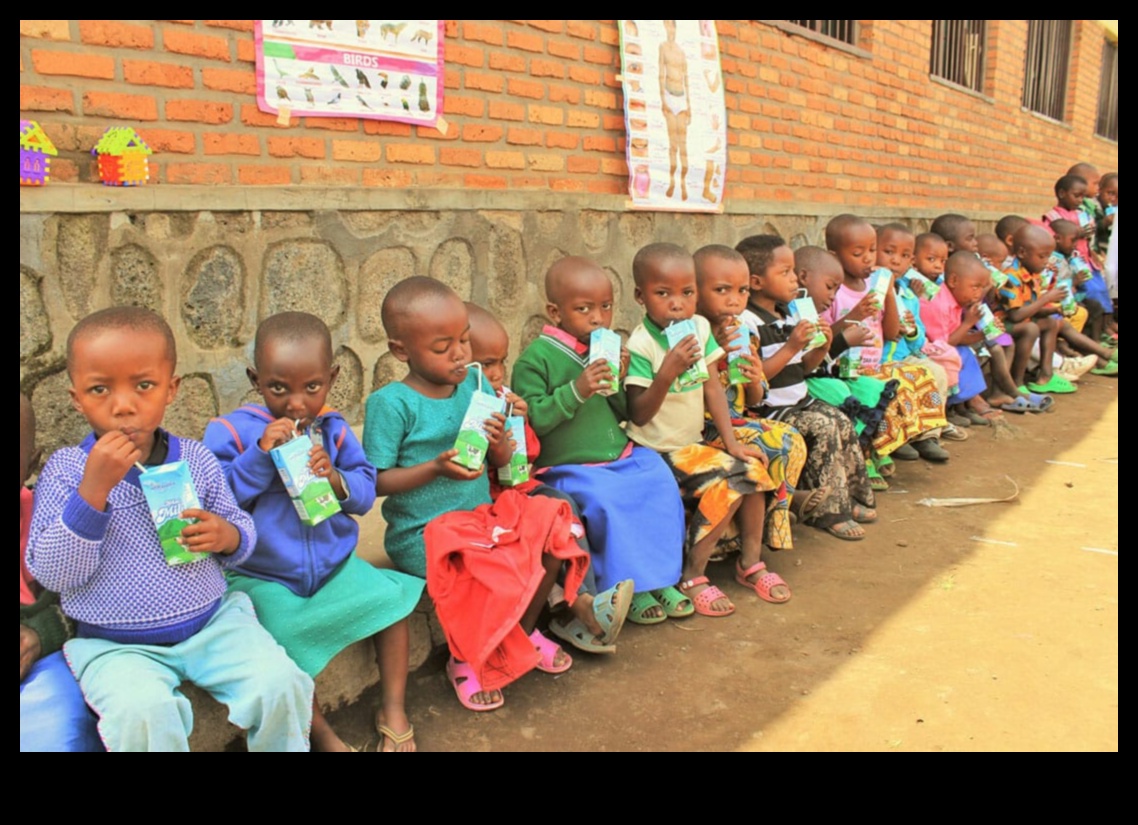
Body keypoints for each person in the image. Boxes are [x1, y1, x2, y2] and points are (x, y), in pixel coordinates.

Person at [26, 307, 313, 751]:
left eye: (144, 386)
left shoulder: (195, 460)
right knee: (141, 715)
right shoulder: (66, 473)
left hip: (214, 627)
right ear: (76, 399)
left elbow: (240, 530)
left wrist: (226, 535)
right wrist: (92, 494)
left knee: (281, 684)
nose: (123, 405)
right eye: (100, 389)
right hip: (116, 646)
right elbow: (52, 573)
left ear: (171, 389)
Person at [363, 278, 586, 712]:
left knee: (554, 530)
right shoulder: (391, 404)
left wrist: (503, 439)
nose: (460, 354)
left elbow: (501, 460)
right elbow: (374, 482)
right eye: (442, 347)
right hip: (424, 531)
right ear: (401, 351)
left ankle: (517, 635)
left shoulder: (476, 385)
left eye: (463, 340)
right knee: (480, 567)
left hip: (482, 517)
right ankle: (466, 658)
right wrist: (434, 468)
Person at [205, 312, 424, 752]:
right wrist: (260, 457)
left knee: (393, 605)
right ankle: (320, 733)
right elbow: (219, 499)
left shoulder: (335, 428)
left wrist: (336, 479)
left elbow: (365, 490)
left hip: (334, 566)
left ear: (332, 377)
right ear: (256, 379)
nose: (296, 403)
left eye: (313, 387)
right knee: (276, 639)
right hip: (262, 574)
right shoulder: (229, 432)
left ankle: (394, 708)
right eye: (278, 388)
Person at [624, 243, 783, 616]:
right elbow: (639, 414)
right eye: (663, 294)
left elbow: (713, 385)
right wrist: (667, 372)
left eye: (687, 293)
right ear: (640, 296)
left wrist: (732, 444)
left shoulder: (697, 326)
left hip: (692, 445)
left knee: (754, 469)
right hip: (657, 450)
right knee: (729, 481)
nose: (677, 303)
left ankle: (750, 563)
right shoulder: (642, 343)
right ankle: (693, 573)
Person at [466, 299, 635, 649]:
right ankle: (580, 608)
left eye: (501, 362)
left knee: (562, 507)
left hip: (513, 487)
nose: (497, 374)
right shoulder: (459, 402)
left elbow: (523, 459)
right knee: (550, 515)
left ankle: (580, 603)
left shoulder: (499, 396)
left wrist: (519, 422)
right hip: (482, 499)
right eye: (486, 364)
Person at [737, 234, 876, 541]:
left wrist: (821, 345)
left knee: (840, 420)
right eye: (785, 272)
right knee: (823, 426)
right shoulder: (747, 322)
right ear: (757, 282)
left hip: (799, 400)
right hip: (770, 409)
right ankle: (830, 511)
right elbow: (757, 380)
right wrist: (791, 345)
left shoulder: (789, 313)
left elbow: (804, 368)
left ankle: (852, 497)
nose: (793, 279)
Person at [694, 245, 806, 593]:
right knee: (770, 445)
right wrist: (718, 355)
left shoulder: (746, 332)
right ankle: (772, 523)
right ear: (695, 291)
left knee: (789, 438)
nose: (734, 300)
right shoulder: (695, 336)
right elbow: (696, 397)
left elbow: (755, 398)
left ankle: (753, 545)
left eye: (742, 291)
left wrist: (755, 375)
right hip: (707, 427)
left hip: (738, 419)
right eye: (721, 290)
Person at [821, 216, 949, 461]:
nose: (868, 258)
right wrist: (857, 313)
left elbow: (890, 333)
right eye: (859, 253)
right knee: (885, 388)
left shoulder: (875, 285)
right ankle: (884, 449)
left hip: (875, 364)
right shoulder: (833, 291)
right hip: (846, 369)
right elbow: (825, 339)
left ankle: (918, 436)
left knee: (922, 375)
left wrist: (888, 290)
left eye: (871, 250)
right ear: (834, 255)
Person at [20, 393, 102, 752]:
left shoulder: (47, 523)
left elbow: (79, 598)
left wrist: (39, 634)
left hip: (37, 665)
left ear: (30, 466)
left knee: (61, 724)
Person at [659, 20, 690, 201]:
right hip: (670, 96)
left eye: (672, 25)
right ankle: (671, 182)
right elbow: (661, 74)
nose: (669, 29)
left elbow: (686, 79)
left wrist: (690, 105)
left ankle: (684, 184)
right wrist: (663, 100)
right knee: (673, 145)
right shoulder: (663, 48)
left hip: (681, 98)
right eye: (667, 25)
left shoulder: (681, 52)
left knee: (683, 146)